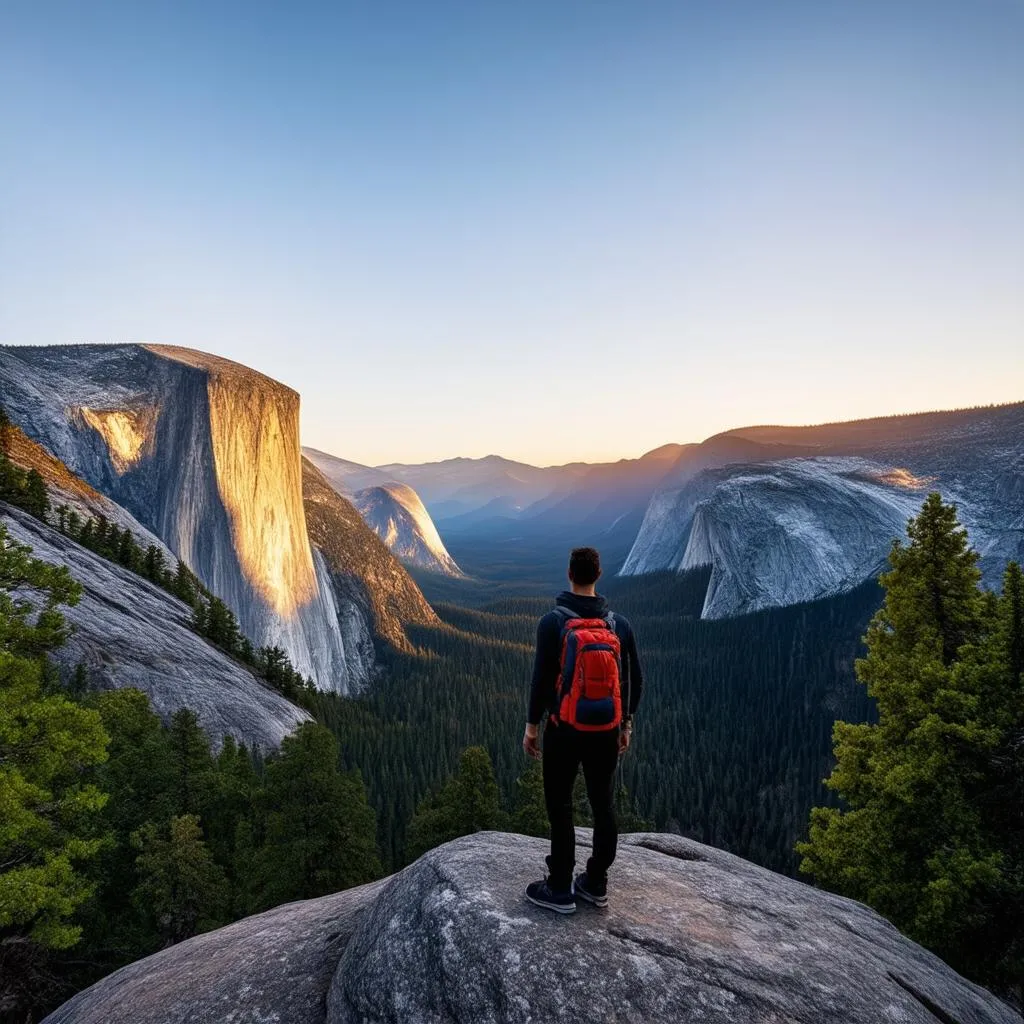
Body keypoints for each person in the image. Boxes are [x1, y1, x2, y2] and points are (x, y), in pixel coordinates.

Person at [523, 546, 644, 913]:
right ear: (599, 574)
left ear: (569, 574)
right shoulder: (619, 625)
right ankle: (596, 882)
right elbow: (634, 680)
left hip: (564, 730)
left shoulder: (553, 623)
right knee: (603, 805)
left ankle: (560, 886)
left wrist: (532, 727)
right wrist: (625, 725)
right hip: (606, 732)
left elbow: (541, 681)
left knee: (560, 805)